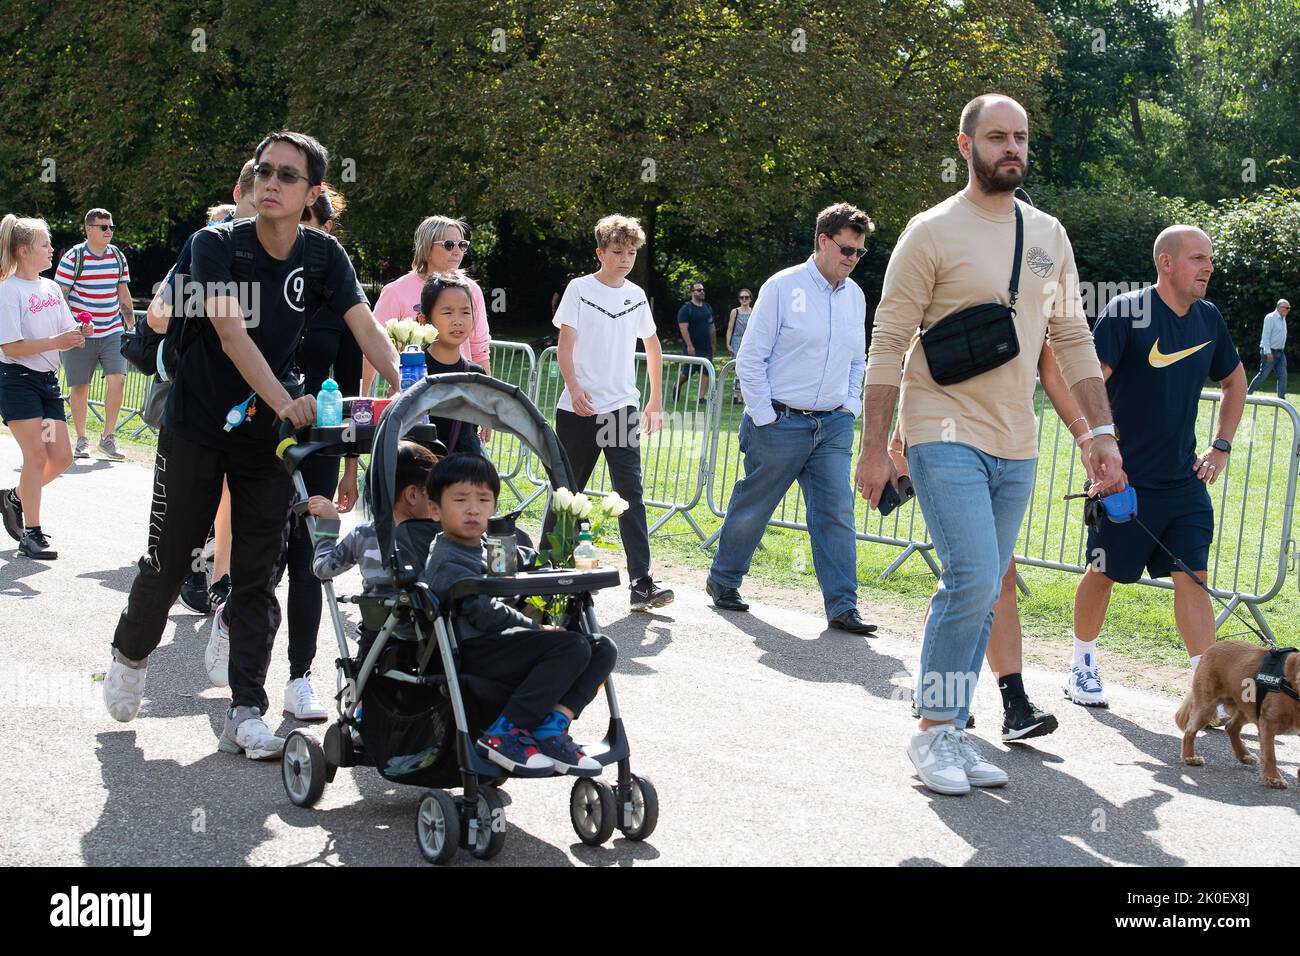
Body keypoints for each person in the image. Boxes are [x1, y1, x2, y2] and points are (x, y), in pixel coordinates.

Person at [101, 130, 401, 765]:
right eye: (264, 170)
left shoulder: (322, 257)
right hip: (199, 426)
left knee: (258, 571)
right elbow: (232, 334)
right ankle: (130, 653)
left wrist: (407, 389)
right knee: (172, 558)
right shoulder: (213, 244)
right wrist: (280, 398)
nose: (270, 181)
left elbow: (365, 325)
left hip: (264, 438)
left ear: (312, 192)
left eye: (287, 176)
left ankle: (246, 709)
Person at [856, 94, 1124, 796]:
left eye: (1021, 138)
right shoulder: (931, 231)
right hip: (942, 427)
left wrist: (1098, 434)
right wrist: (873, 446)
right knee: (973, 576)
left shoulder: (1048, 235)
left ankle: (949, 728)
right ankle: (933, 732)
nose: (1013, 148)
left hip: (1018, 439)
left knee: (983, 588)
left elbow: (1071, 338)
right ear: (965, 144)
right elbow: (887, 343)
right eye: (998, 137)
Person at [1064, 225, 1245, 709]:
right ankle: (1081, 665)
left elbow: (1235, 381)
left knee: (1192, 577)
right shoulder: (1127, 312)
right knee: (1102, 572)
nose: (1208, 267)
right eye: (1197, 259)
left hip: (1183, 482)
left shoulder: (1208, 319)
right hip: (1124, 481)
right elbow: (1086, 386)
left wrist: (1220, 445)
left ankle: (1205, 688)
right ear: (1166, 263)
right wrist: (1100, 452)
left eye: (1209, 259)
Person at [208, 183, 364, 722]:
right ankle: (232, 620)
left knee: (309, 560)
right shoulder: (264, 290)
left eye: (317, 226)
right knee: (265, 563)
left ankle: (301, 677)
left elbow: (348, 383)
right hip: (263, 437)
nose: (308, 238)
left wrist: (350, 463)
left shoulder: (341, 296)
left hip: (320, 443)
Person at [893, 345, 1083, 741]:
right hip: (951, 449)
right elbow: (916, 355)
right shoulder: (962, 285)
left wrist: (1095, 436)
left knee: (991, 580)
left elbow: (1054, 377)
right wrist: (896, 444)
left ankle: (1006, 704)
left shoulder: (1037, 292)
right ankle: (941, 708)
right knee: (972, 577)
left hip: (1009, 452)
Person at [706, 203, 877, 636]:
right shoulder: (782, 286)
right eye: (846, 249)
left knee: (836, 512)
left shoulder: (855, 297)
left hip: (833, 425)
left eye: (859, 252)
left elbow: (858, 360)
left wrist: (850, 406)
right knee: (754, 505)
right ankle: (724, 580)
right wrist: (764, 416)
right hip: (779, 422)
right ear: (822, 241)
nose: (853, 259)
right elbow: (750, 357)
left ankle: (842, 605)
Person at [423, 453, 617, 775]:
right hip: (474, 648)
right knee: (571, 646)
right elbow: (483, 612)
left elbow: (527, 562)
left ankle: (551, 727)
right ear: (435, 509)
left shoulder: (493, 544)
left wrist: (558, 563)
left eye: (483, 500)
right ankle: (506, 731)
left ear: (494, 507)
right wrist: (536, 629)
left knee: (602, 648)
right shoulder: (446, 559)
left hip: (505, 644)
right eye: (460, 499)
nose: (473, 509)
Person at [542, 214, 674, 612]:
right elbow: (565, 345)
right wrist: (574, 386)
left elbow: (653, 346)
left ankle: (641, 583)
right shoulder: (578, 289)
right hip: (578, 408)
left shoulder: (635, 295)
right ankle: (550, 572)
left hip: (621, 408)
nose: (625, 259)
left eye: (631, 252)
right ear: (600, 252)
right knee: (567, 493)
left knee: (630, 493)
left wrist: (654, 399)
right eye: (617, 252)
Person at [165, 163, 260, 616]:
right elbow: (160, 315)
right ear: (238, 192)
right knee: (193, 504)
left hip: (252, 399)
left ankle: (219, 578)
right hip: (198, 397)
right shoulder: (207, 242)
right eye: (255, 194)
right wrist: (218, 306)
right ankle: (189, 570)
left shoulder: (289, 250)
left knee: (233, 494)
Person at [0, 215, 85, 559]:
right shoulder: (8, 291)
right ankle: (31, 533)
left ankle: (15, 497)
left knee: (61, 457)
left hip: (48, 385)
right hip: (17, 384)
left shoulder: (50, 288)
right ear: (23, 250)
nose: (52, 249)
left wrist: (80, 333)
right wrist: (57, 340)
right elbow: (11, 347)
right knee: (35, 457)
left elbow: (65, 334)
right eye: (44, 244)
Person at [369, 215, 492, 392]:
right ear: (426, 250)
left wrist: (486, 402)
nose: (457, 251)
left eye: (462, 245)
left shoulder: (471, 290)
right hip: (411, 389)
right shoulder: (395, 291)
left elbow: (479, 349)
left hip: (461, 388)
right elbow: (372, 346)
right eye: (449, 244)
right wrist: (362, 396)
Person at [55, 208, 134, 462]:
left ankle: (107, 437)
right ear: (89, 229)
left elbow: (123, 294)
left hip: (112, 330)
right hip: (80, 333)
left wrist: (131, 326)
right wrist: (76, 325)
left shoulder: (117, 256)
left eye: (111, 227)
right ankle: (81, 439)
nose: (109, 231)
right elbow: (60, 296)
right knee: (79, 386)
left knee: (118, 380)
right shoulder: (74, 257)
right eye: (103, 227)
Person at [309, 440, 439, 591]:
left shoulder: (362, 535)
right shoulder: (438, 535)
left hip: (379, 613)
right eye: (435, 493)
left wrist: (329, 522)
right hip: (427, 612)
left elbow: (322, 569)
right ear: (412, 495)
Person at [419, 271, 488, 456]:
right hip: (419, 474)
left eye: (465, 312)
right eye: (448, 312)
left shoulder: (476, 374)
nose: (458, 321)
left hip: (461, 477)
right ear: (424, 319)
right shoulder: (414, 370)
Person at [673, 280, 714, 403]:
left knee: (707, 371)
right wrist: (689, 346)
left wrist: (713, 343)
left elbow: (712, 326)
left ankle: (701, 397)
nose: (702, 292)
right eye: (699, 290)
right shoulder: (686, 309)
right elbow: (683, 328)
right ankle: (677, 385)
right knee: (688, 372)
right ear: (692, 292)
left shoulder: (707, 307)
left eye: (703, 290)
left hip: (706, 347)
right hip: (692, 347)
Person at [1247, 298, 1289, 398]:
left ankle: (1281, 399)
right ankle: (1248, 393)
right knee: (1263, 375)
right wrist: (1268, 352)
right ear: (1279, 307)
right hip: (1270, 352)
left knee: (1283, 376)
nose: (1288, 310)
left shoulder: (1283, 318)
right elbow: (1265, 336)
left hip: (1280, 352)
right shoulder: (1270, 317)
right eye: (1287, 308)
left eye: (1289, 308)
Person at [724, 288, 753, 403]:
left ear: (750, 299)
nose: (744, 299)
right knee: (738, 369)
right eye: (742, 297)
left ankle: (745, 395)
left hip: (749, 342)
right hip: (737, 342)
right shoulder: (735, 311)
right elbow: (730, 328)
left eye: (746, 297)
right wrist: (728, 343)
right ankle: (736, 395)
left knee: (748, 369)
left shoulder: (754, 311)